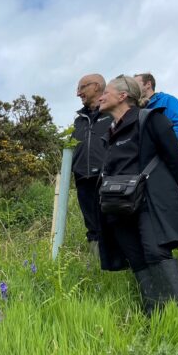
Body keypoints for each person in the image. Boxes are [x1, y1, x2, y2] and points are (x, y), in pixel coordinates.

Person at [97, 75, 178, 316]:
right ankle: (155, 317)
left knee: (155, 252)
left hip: (148, 203)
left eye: (106, 93)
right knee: (137, 258)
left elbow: (174, 158)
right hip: (117, 208)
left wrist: (160, 191)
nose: (101, 97)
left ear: (123, 96)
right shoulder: (109, 132)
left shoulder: (151, 119)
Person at [134, 72, 178, 219]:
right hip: (145, 159)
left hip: (165, 157)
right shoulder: (137, 107)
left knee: (177, 193)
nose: (133, 87)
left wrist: (165, 144)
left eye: (136, 83)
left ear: (148, 84)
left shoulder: (167, 101)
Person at [71, 74, 112, 256]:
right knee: (91, 224)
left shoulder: (112, 113)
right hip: (83, 179)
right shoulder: (79, 120)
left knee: (113, 220)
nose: (78, 93)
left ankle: (118, 263)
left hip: (108, 178)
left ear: (96, 87)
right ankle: (98, 265)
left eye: (82, 88)